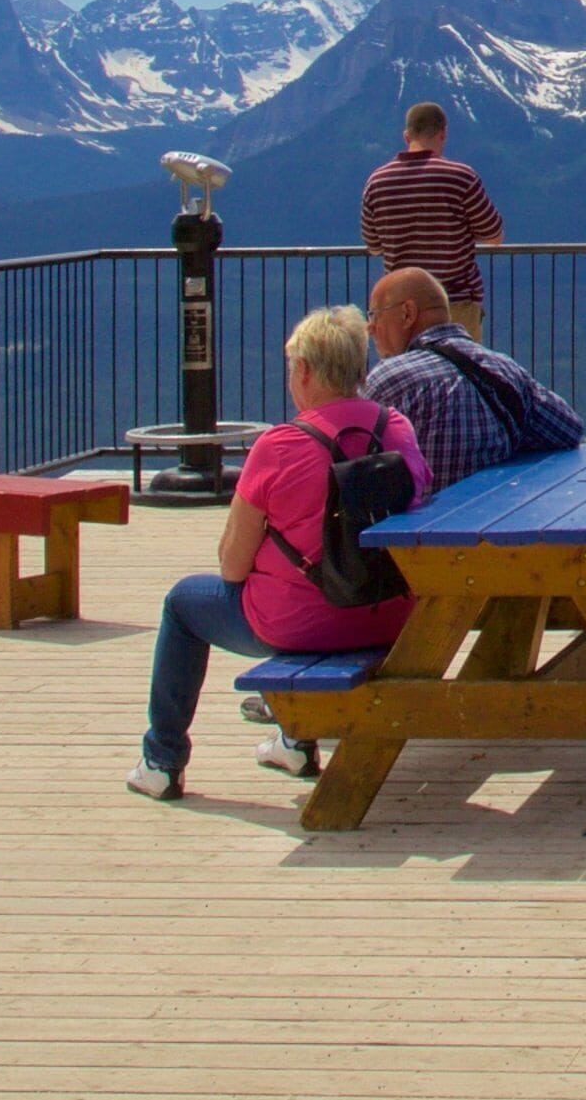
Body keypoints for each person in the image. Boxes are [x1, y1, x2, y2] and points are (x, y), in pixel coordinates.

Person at [130, 304, 430, 800]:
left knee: (184, 603)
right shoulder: (396, 429)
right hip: (389, 614)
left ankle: (161, 760)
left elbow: (231, 564)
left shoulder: (280, 446)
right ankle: (293, 739)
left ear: (306, 371)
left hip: (300, 623)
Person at [365, 267, 585, 493]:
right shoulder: (504, 368)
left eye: (374, 314)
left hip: (413, 525)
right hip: (494, 519)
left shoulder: (389, 379)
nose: (370, 327)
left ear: (407, 313)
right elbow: (569, 429)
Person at [361, 101, 505, 341]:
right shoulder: (461, 177)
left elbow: (374, 245)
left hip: (400, 308)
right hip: (455, 304)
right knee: (461, 374)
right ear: (443, 133)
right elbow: (494, 235)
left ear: (407, 136)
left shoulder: (377, 181)